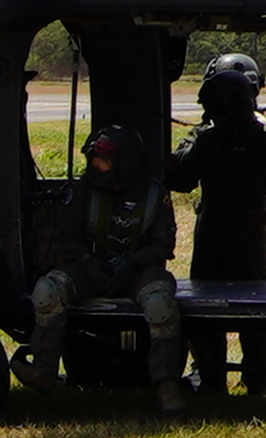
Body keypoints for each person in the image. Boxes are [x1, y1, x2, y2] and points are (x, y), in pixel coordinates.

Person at [164, 52, 266, 397]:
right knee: (205, 307)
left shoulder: (265, 137)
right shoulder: (208, 138)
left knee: (255, 309)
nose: (217, 118)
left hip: (247, 230)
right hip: (213, 227)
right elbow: (185, 179)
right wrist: (164, 164)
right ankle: (213, 380)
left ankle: (256, 382)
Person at [26, 118, 187, 413]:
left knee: (160, 305)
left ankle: (167, 386)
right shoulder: (82, 191)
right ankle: (44, 370)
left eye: (103, 161)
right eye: (94, 160)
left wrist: (132, 264)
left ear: (125, 164)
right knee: (47, 292)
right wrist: (87, 262)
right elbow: (69, 238)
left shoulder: (155, 194)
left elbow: (162, 245)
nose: (95, 166)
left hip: (139, 271)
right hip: (90, 268)